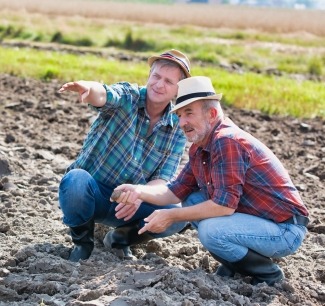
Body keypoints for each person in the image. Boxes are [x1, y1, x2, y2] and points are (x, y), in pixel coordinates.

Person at [112, 76, 309, 286]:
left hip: (285, 230)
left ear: (212, 114)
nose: (182, 122)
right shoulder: (201, 147)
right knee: (193, 199)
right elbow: (175, 192)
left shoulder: (227, 141)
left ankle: (268, 274)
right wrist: (138, 191)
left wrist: (171, 215)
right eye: (179, 115)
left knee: (211, 231)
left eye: (189, 113)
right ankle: (234, 265)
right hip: (258, 223)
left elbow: (223, 206)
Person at [58, 49, 191, 262]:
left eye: (168, 81)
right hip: (94, 194)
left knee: (177, 212)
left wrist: (141, 193)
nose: (159, 84)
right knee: (75, 180)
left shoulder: (177, 128)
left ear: (178, 89)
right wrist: (88, 87)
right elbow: (104, 94)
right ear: (149, 76)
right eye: (156, 76)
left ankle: (120, 239)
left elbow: (162, 180)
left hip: (131, 204)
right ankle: (82, 244)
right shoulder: (128, 97)